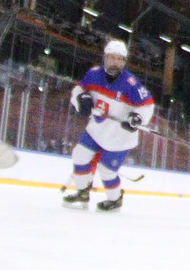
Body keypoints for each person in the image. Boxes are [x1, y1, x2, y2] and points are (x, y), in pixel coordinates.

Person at [63, 39, 154, 210]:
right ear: (105, 57)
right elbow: (78, 90)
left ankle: (115, 199)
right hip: (96, 129)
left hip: (119, 137)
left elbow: (147, 105)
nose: (115, 62)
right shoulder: (93, 74)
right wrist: (81, 98)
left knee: (106, 171)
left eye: (119, 59)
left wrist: (137, 118)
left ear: (124, 62)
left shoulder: (131, 84)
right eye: (112, 57)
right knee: (79, 155)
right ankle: (82, 192)